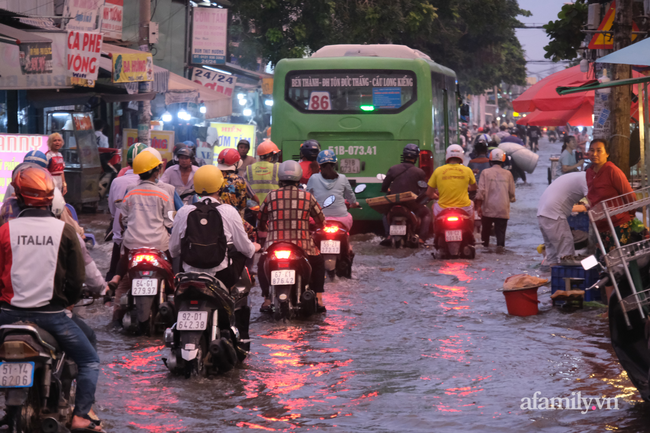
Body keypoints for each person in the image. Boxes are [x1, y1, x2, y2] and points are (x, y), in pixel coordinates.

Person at [0, 166, 103, 432]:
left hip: (7, 315)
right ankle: (81, 416)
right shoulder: (65, 231)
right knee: (89, 360)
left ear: (18, 197)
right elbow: (77, 278)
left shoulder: (4, 231)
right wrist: (66, 303)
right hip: (53, 317)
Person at [107, 149, 174, 326]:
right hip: (158, 244)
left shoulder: (130, 194)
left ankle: (115, 311)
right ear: (157, 170)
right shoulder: (164, 194)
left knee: (123, 283)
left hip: (133, 243)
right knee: (173, 272)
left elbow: (123, 219)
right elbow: (169, 222)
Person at [170, 165, 260, 289]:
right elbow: (245, 248)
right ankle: (234, 292)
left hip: (189, 273)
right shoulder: (229, 211)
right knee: (240, 252)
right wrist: (254, 247)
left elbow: (174, 250)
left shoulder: (184, 211)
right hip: (221, 275)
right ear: (220, 188)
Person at [257, 160, 327, 312]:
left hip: (273, 245)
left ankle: (267, 299)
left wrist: (263, 228)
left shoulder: (271, 196)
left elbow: (260, 219)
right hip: (302, 245)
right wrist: (319, 227)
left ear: (280, 177)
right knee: (319, 262)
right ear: (298, 177)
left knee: (261, 264)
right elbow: (321, 219)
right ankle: (319, 298)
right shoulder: (307, 197)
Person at [105, 142, 148, 281]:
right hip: (149, 238)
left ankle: (108, 297)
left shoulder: (117, 182)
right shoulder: (156, 184)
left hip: (121, 236)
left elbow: (112, 210)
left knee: (114, 274)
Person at [380, 143, 431, 243]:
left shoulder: (393, 169)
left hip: (394, 203)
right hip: (411, 204)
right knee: (426, 213)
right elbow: (423, 189)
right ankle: (421, 238)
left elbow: (384, 187)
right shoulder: (419, 172)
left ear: (403, 155)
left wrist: (389, 190)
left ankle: (388, 235)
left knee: (385, 213)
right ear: (416, 157)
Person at [537, 172, 588, 267]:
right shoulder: (587, 179)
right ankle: (566, 280)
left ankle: (555, 280)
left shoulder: (574, 176)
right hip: (554, 215)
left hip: (542, 214)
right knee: (566, 254)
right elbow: (593, 202)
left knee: (552, 255)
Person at [419, 144, 477, 221]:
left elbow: (429, 193)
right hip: (464, 207)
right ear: (461, 156)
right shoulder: (467, 170)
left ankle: (435, 230)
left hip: (443, 208)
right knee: (472, 204)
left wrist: (437, 197)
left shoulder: (438, 171)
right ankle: (471, 230)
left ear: (447, 155)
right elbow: (474, 187)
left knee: (433, 206)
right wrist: (465, 187)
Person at [475, 149, 516, 254]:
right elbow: (512, 193)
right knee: (500, 238)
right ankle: (500, 251)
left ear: (490, 160)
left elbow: (480, 192)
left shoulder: (485, 173)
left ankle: (485, 252)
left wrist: (478, 207)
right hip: (503, 210)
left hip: (488, 209)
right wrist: (511, 199)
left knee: (485, 236)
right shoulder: (508, 174)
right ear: (503, 161)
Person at [245, 140, 280, 204]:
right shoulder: (278, 168)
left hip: (254, 207)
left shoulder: (249, 168)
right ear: (270, 155)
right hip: (271, 205)